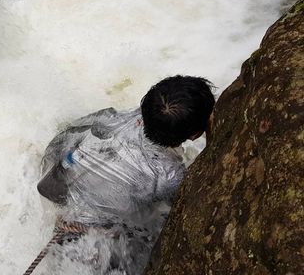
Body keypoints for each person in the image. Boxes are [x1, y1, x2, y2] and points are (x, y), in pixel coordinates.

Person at [37, 75, 215, 228]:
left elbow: (63, 138)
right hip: (90, 229)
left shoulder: (111, 117)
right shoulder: (169, 176)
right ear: (194, 135)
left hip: (51, 187)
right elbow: (186, 204)